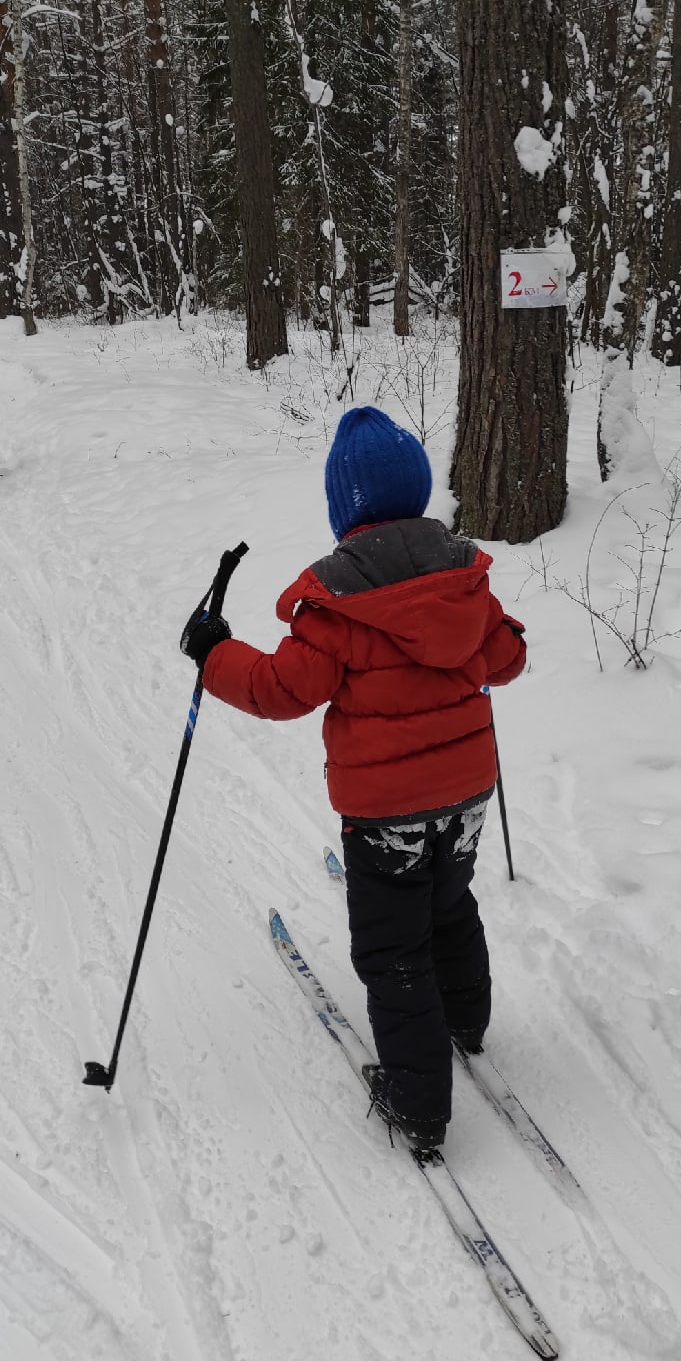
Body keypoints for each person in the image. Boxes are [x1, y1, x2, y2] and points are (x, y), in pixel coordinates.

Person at [182, 406, 527, 1151]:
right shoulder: (466, 578)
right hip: (467, 795)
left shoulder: (339, 602)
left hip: (385, 815)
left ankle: (418, 1104)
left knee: (392, 950)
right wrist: (505, 633)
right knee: (449, 903)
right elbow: (505, 660)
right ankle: (466, 1023)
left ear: (346, 508)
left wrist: (214, 655)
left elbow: (280, 689)